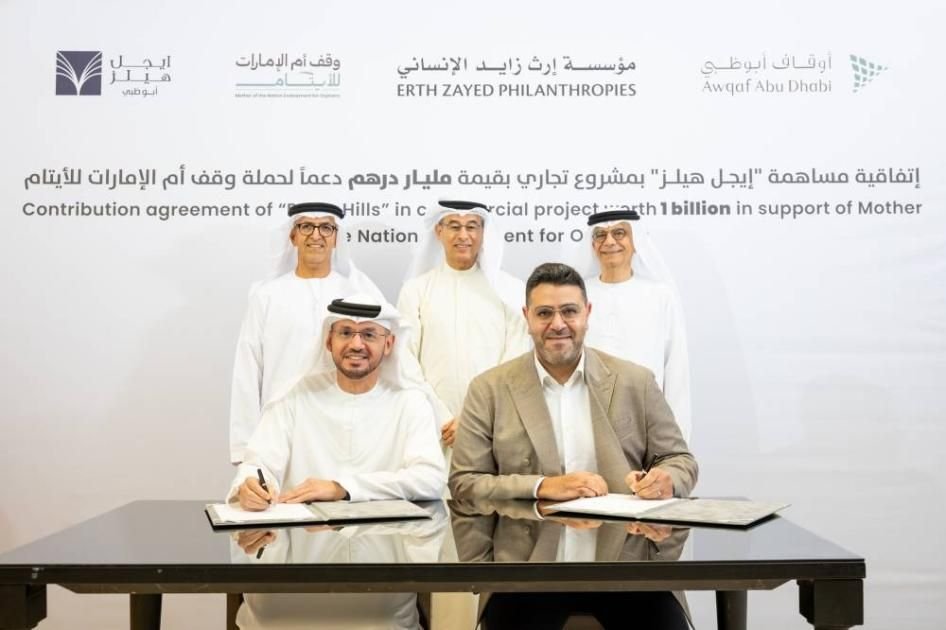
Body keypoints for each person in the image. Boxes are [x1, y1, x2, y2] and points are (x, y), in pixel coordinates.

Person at [449, 262, 697, 503]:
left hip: (621, 530)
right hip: (526, 531)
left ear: (587, 313)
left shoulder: (636, 382)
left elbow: (679, 461)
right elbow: (465, 481)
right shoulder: (488, 390)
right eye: (544, 313)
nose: (558, 325)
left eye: (569, 311)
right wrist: (542, 487)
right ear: (527, 317)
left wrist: (666, 480)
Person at [228, 295, 445, 509]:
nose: (356, 345)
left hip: (385, 532)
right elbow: (259, 464)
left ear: (388, 344)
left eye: (369, 334)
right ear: (329, 341)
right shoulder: (295, 397)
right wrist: (249, 485)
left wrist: (341, 488)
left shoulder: (411, 402)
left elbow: (430, 479)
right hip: (308, 531)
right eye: (345, 333)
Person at [228, 202, 386, 464]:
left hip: (343, 426)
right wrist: (245, 447)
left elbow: (384, 360)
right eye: (306, 227)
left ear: (336, 238)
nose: (316, 235)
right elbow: (248, 368)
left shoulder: (358, 293)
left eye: (325, 228)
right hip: (279, 428)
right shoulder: (267, 295)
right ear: (293, 236)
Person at [397, 199, 530, 452]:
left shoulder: (510, 291)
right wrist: (441, 417)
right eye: (454, 226)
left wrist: (474, 418)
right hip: (433, 427)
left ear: (483, 232)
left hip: (493, 425)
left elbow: (515, 362)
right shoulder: (415, 290)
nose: (463, 236)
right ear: (439, 231)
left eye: (471, 226)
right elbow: (405, 361)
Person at [577, 210, 692, 442]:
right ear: (592, 245)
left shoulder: (660, 295)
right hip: (586, 421)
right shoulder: (577, 295)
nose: (609, 241)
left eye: (619, 233)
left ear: (636, 241)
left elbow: (675, 368)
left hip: (645, 422)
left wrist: (677, 440)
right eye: (600, 235)